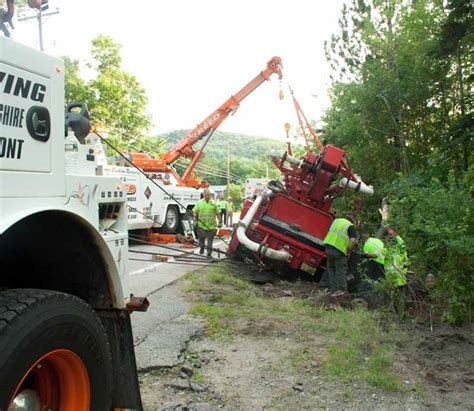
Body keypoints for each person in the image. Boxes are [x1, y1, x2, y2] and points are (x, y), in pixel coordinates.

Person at [322, 214, 358, 292]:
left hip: (328, 248)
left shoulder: (336, 221)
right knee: (340, 271)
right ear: (353, 221)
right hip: (339, 251)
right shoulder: (350, 226)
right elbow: (353, 240)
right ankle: (341, 291)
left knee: (331, 269)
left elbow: (329, 231)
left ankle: (333, 289)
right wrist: (349, 251)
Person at [193, 188, 221, 257]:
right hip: (201, 225)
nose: (206, 196)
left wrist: (220, 221)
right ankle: (202, 248)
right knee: (202, 238)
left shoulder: (213, 203)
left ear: (210, 195)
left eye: (208, 195)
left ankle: (209, 253)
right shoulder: (199, 203)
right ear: (203, 195)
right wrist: (194, 219)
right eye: (205, 195)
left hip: (211, 226)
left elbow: (218, 213)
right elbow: (195, 212)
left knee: (210, 240)